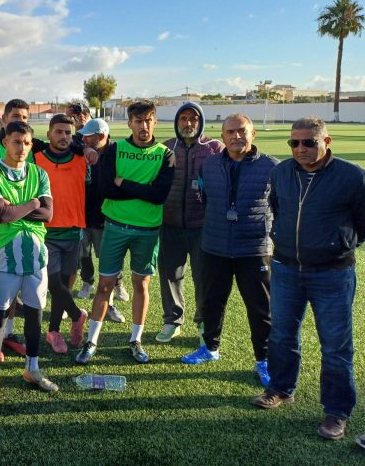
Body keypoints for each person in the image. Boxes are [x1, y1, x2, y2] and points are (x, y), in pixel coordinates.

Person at [251, 117, 365, 443]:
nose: (300, 149)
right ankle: (280, 388)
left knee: (336, 346)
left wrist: (339, 245)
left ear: (326, 142)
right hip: (286, 268)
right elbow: (277, 209)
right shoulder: (282, 172)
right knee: (282, 334)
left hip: (333, 273)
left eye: (308, 142)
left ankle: (337, 411)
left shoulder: (352, 176)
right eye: (294, 142)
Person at [181, 114, 276, 388]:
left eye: (242, 131)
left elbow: (280, 206)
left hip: (253, 249)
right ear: (222, 137)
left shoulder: (272, 167)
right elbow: (205, 198)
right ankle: (210, 347)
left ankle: (264, 360)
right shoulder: (209, 166)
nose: (236, 136)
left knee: (260, 308)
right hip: (215, 246)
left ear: (253, 134)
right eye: (230, 132)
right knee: (212, 301)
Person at [76, 100, 174, 365]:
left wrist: (124, 183)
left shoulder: (165, 154)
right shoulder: (115, 149)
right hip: (115, 227)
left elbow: (159, 195)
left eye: (148, 120)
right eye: (138, 121)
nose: (144, 126)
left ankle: (135, 340)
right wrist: (144, 189)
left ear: (155, 122)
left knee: (141, 284)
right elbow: (107, 189)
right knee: (105, 285)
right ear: (129, 123)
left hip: (148, 230)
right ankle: (91, 341)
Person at [0, 120, 57, 403]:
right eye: (16, 141)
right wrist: (34, 203)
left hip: (36, 257)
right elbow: (0, 214)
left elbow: (49, 214)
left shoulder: (39, 173)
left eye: (26, 143)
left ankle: (32, 369)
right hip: (4, 257)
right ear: (4, 143)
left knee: (35, 316)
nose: (22, 147)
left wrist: (18, 209)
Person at [155, 103, 224, 343]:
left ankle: (204, 321)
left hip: (203, 226)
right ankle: (172, 320)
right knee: (170, 275)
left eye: (193, 119)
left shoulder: (214, 148)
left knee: (204, 277)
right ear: (177, 122)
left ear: (201, 122)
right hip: (170, 223)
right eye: (183, 119)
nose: (188, 123)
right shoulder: (166, 147)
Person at [33, 114, 89, 355]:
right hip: (46, 231)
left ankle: (54, 332)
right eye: (58, 131)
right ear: (48, 134)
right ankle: (77, 315)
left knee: (63, 285)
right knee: (53, 283)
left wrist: (86, 148)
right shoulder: (36, 158)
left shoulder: (81, 159)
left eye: (68, 132)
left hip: (74, 231)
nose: (64, 136)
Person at [75, 118, 127, 322]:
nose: (84, 139)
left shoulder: (116, 154)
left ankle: (112, 299)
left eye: (89, 136)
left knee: (109, 262)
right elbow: (72, 142)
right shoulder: (83, 150)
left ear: (101, 136)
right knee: (83, 255)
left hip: (106, 219)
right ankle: (87, 282)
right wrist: (84, 148)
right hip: (82, 217)